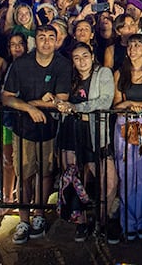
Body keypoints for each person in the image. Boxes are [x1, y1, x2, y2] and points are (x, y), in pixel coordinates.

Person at [1, 25, 71, 243]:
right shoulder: (21, 64)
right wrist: (30, 108)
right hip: (23, 129)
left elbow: (61, 99)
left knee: (46, 173)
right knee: (25, 175)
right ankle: (23, 219)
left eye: (52, 37)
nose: (47, 42)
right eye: (42, 37)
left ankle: (39, 214)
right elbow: (7, 96)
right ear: (35, 41)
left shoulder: (62, 64)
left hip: (49, 130)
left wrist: (33, 103)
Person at [55, 43, 117, 243]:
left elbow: (105, 101)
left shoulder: (103, 73)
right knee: (74, 177)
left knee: (108, 178)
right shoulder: (68, 78)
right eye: (76, 57)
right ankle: (81, 221)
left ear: (92, 55)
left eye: (84, 55)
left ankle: (102, 218)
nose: (81, 61)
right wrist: (61, 104)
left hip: (95, 132)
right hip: (71, 132)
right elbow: (61, 102)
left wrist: (76, 107)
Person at [112, 33, 142, 242]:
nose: (132, 50)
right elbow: (117, 104)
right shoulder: (120, 73)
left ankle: (140, 221)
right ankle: (127, 222)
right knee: (126, 174)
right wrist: (129, 105)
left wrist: (128, 104)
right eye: (130, 46)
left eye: (137, 46)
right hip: (125, 125)